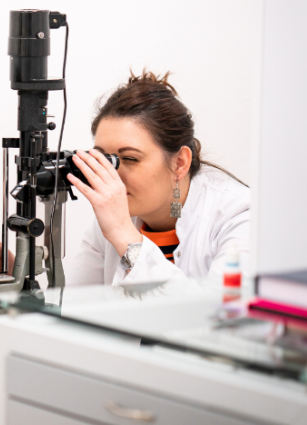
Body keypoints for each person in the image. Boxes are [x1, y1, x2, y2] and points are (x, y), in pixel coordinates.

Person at [65, 70, 250, 286]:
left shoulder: (239, 217)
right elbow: (74, 306)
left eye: (130, 158)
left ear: (180, 163)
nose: (111, 174)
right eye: (104, 159)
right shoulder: (112, 221)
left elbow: (219, 314)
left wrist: (124, 235)